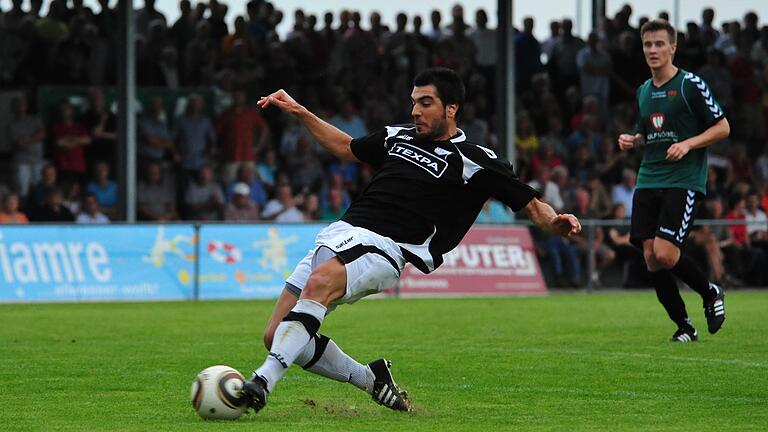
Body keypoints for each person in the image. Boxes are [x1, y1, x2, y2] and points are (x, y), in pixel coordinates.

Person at [239, 68, 581, 414]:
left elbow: (533, 205)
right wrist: (299, 111)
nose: (415, 110)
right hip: (340, 233)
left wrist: (555, 221)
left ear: (451, 108)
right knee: (276, 336)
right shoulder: (396, 136)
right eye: (414, 102)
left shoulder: (476, 160)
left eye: (426, 103)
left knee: (320, 283)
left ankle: (262, 381)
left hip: (387, 246)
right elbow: (346, 147)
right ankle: (372, 379)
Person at [617, 20, 730, 343]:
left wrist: (689, 143)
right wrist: (634, 140)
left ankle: (710, 292)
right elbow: (648, 133)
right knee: (651, 258)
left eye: (659, 44)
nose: (652, 50)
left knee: (666, 254)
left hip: (683, 179)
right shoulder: (643, 91)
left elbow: (722, 127)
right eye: (647, 44)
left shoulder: (690, 84)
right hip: (648, 177)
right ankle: (685, 326)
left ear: (673, 48)